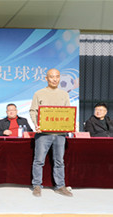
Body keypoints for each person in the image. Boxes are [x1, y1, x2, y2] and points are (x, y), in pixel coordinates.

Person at [29, 68, 72, 197]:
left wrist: (70, 124)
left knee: (59, 161)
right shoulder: (39, 93)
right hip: (43, 134)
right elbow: (33, 111)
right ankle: (37, 185)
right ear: (46, 78)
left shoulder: (64, 94)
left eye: (57, 76)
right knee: (39, 161)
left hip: (60, 134)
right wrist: (36, 124)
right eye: (52, 77)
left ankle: (60, 186)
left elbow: (68, 112)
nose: (54, 79)